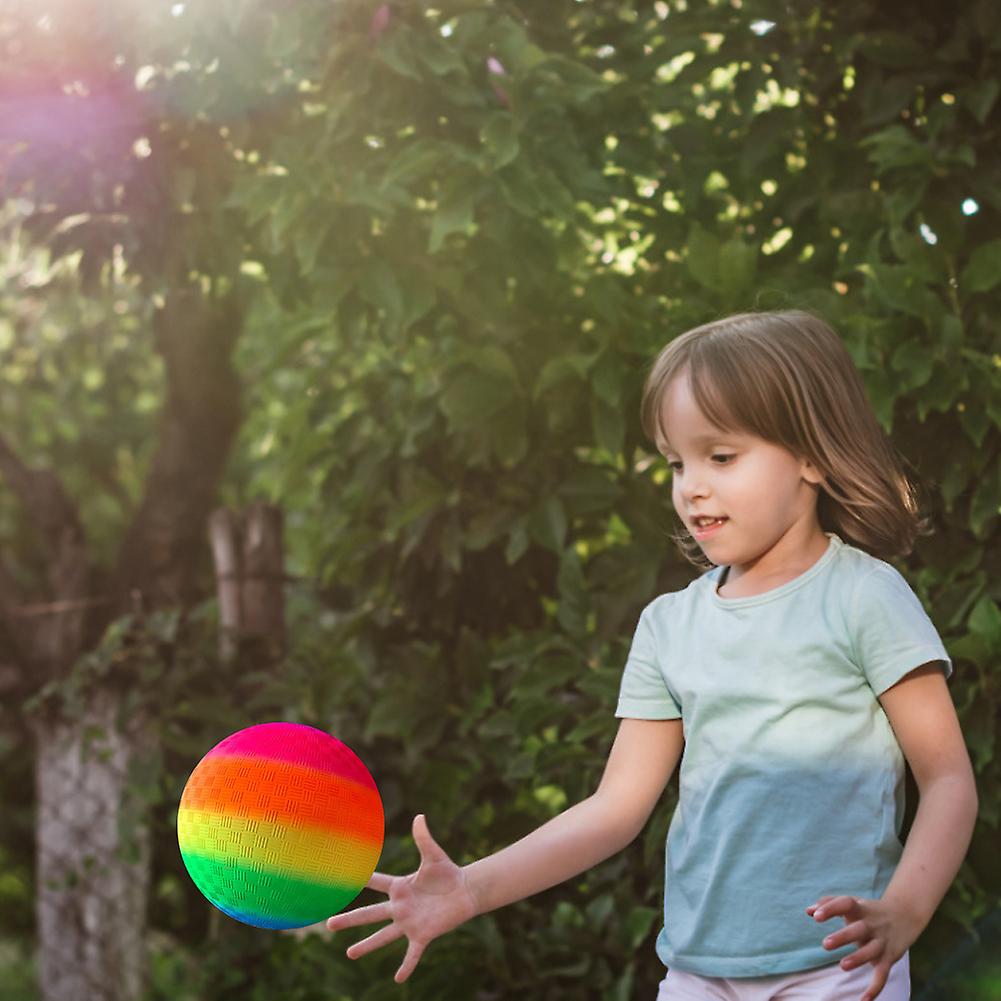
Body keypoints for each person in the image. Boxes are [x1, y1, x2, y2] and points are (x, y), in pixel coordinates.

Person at [325, 310, 979, 1000]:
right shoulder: (669, 625)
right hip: (699, 973)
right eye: (676, 461)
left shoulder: (863, 597)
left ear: (810, 455)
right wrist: (469, 887)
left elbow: (946, 781)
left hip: (836, 971)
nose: (690, 484)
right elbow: (613, 809)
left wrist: (904, 908)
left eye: (720, 456)